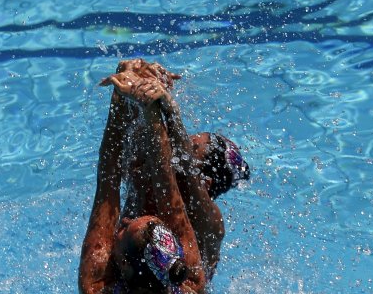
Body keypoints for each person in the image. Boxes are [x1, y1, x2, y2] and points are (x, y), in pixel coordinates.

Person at [79, 59, 249, 294]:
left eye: (189, 147)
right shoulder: (186, 279)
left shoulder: (207, 226)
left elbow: (109, 177)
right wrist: (147, 92)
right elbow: (167, 181)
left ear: (205, 183)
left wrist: (121, 96)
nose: (179, 146)